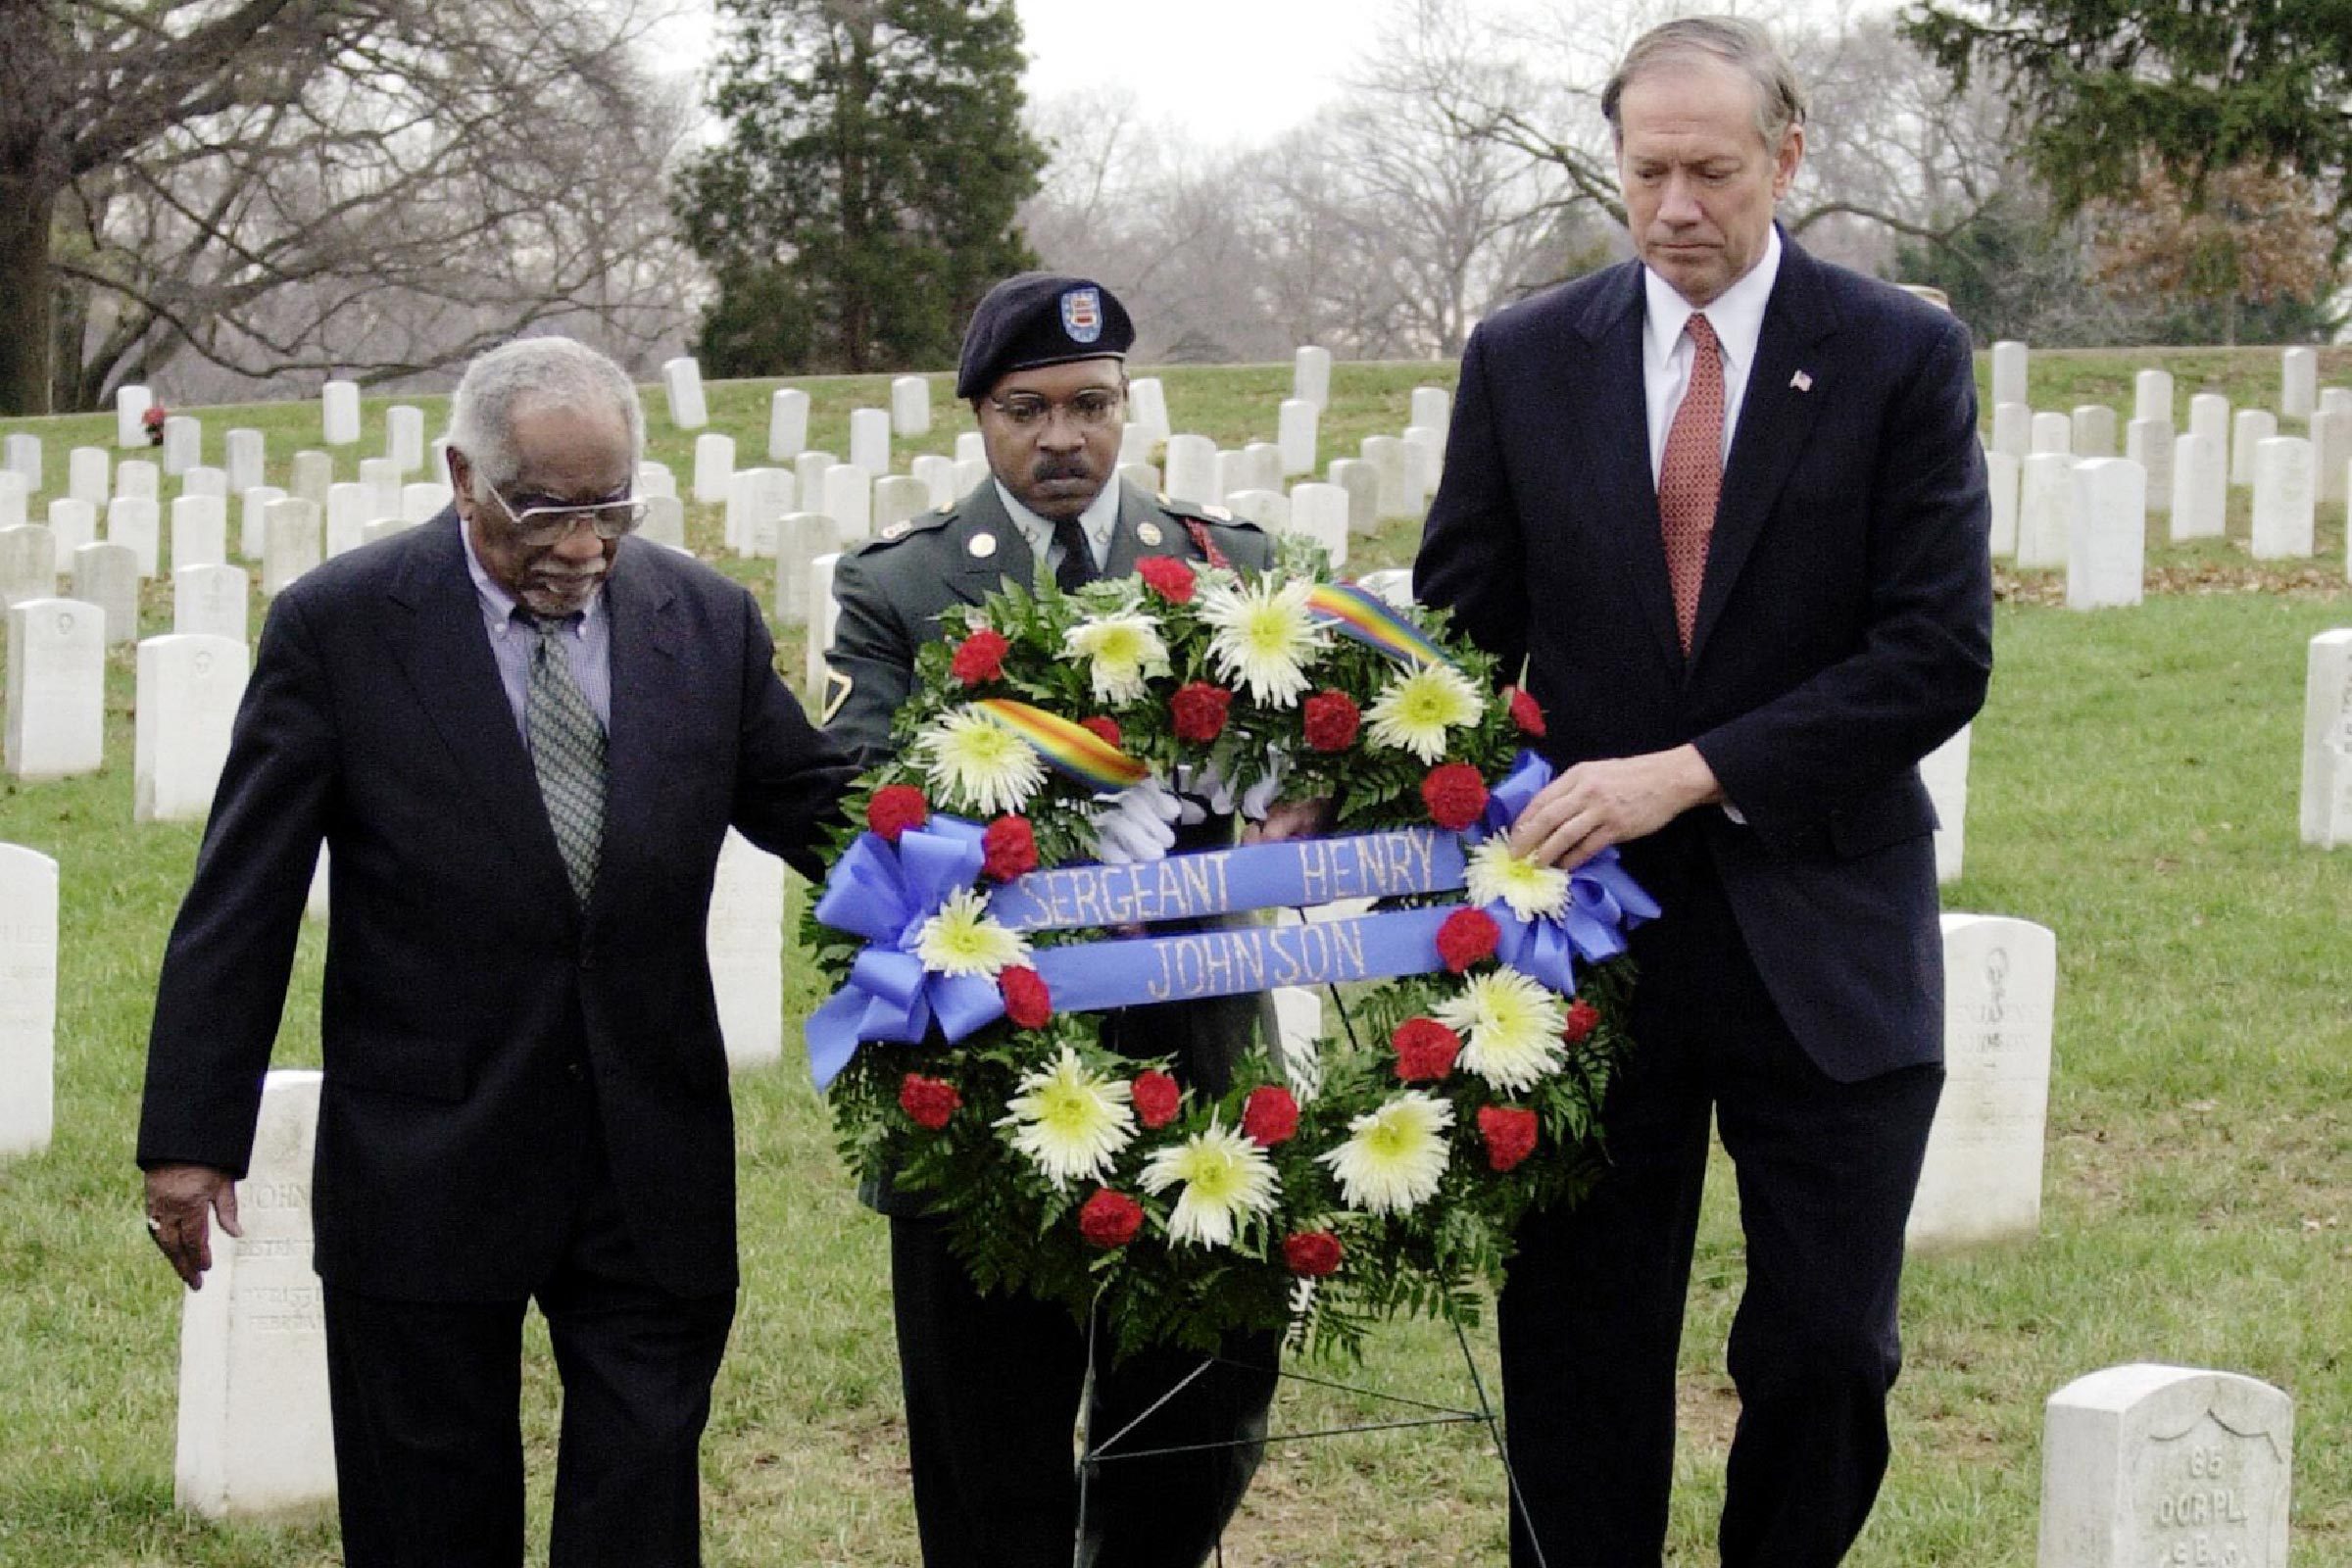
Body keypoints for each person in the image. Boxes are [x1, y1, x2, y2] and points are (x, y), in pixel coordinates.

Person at [1413, 18, 1993, 1567]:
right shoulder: (1530, 360)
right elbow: (1459, 636)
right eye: (1647, 170)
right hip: (1595, 952)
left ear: (1786, 160)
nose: (1676, 204)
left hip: (1828, 931)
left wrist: (1690, 773)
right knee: (1581, 1354)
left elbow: (1935, 655)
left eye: (1712, 171)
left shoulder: (1897, 355)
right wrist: (1361, 778)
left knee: (1825, 1353)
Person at [136, 336, 857, 1568]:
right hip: (429, 1151)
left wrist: (1001, 836)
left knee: (639, 1506)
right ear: (464, 476)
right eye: (547, 508)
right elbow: (242, 895)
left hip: (649, 1147)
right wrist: (192, 1141)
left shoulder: (706, 621)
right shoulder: (342, 626)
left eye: (611, 505)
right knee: (428, 1514)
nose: (583, 544)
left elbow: (824, 815)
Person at [823, 271, 1284, 1568]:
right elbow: (861, 793)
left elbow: (1320, 747)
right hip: (983, 1061)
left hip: (1197, 1048)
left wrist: (1285, 785)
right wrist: (1060, 806)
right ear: (979, 415)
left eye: (1092, 403)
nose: (1063, 437)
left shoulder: (1221, 567)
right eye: (1029, 408)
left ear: (1130, 407)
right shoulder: (903, 588)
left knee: (1203, 1397)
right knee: (989, 1428)